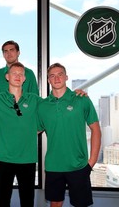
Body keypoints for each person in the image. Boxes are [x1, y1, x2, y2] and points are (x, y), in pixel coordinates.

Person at [37, 63, 101, 207]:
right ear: (48, 80)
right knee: (55, 203)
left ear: (66, 77)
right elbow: (33, 131)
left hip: (78, 165)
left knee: (81, 204)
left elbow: (96, 129)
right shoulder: (42, 105)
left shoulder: (81, 99)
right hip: (53, 165)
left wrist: (92, 162)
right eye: (52, 76)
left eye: (60, 74)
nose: (57, 78)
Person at [0, 62, 41, 207]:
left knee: (27, 199)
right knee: (3, 199)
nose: (17, 76)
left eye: (21, 74)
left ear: (25, 78)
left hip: (27, 157)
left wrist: (77, 95)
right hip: (4, 157)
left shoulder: (34, 99)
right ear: (7, 77)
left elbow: (52, 107)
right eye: (14, 73)